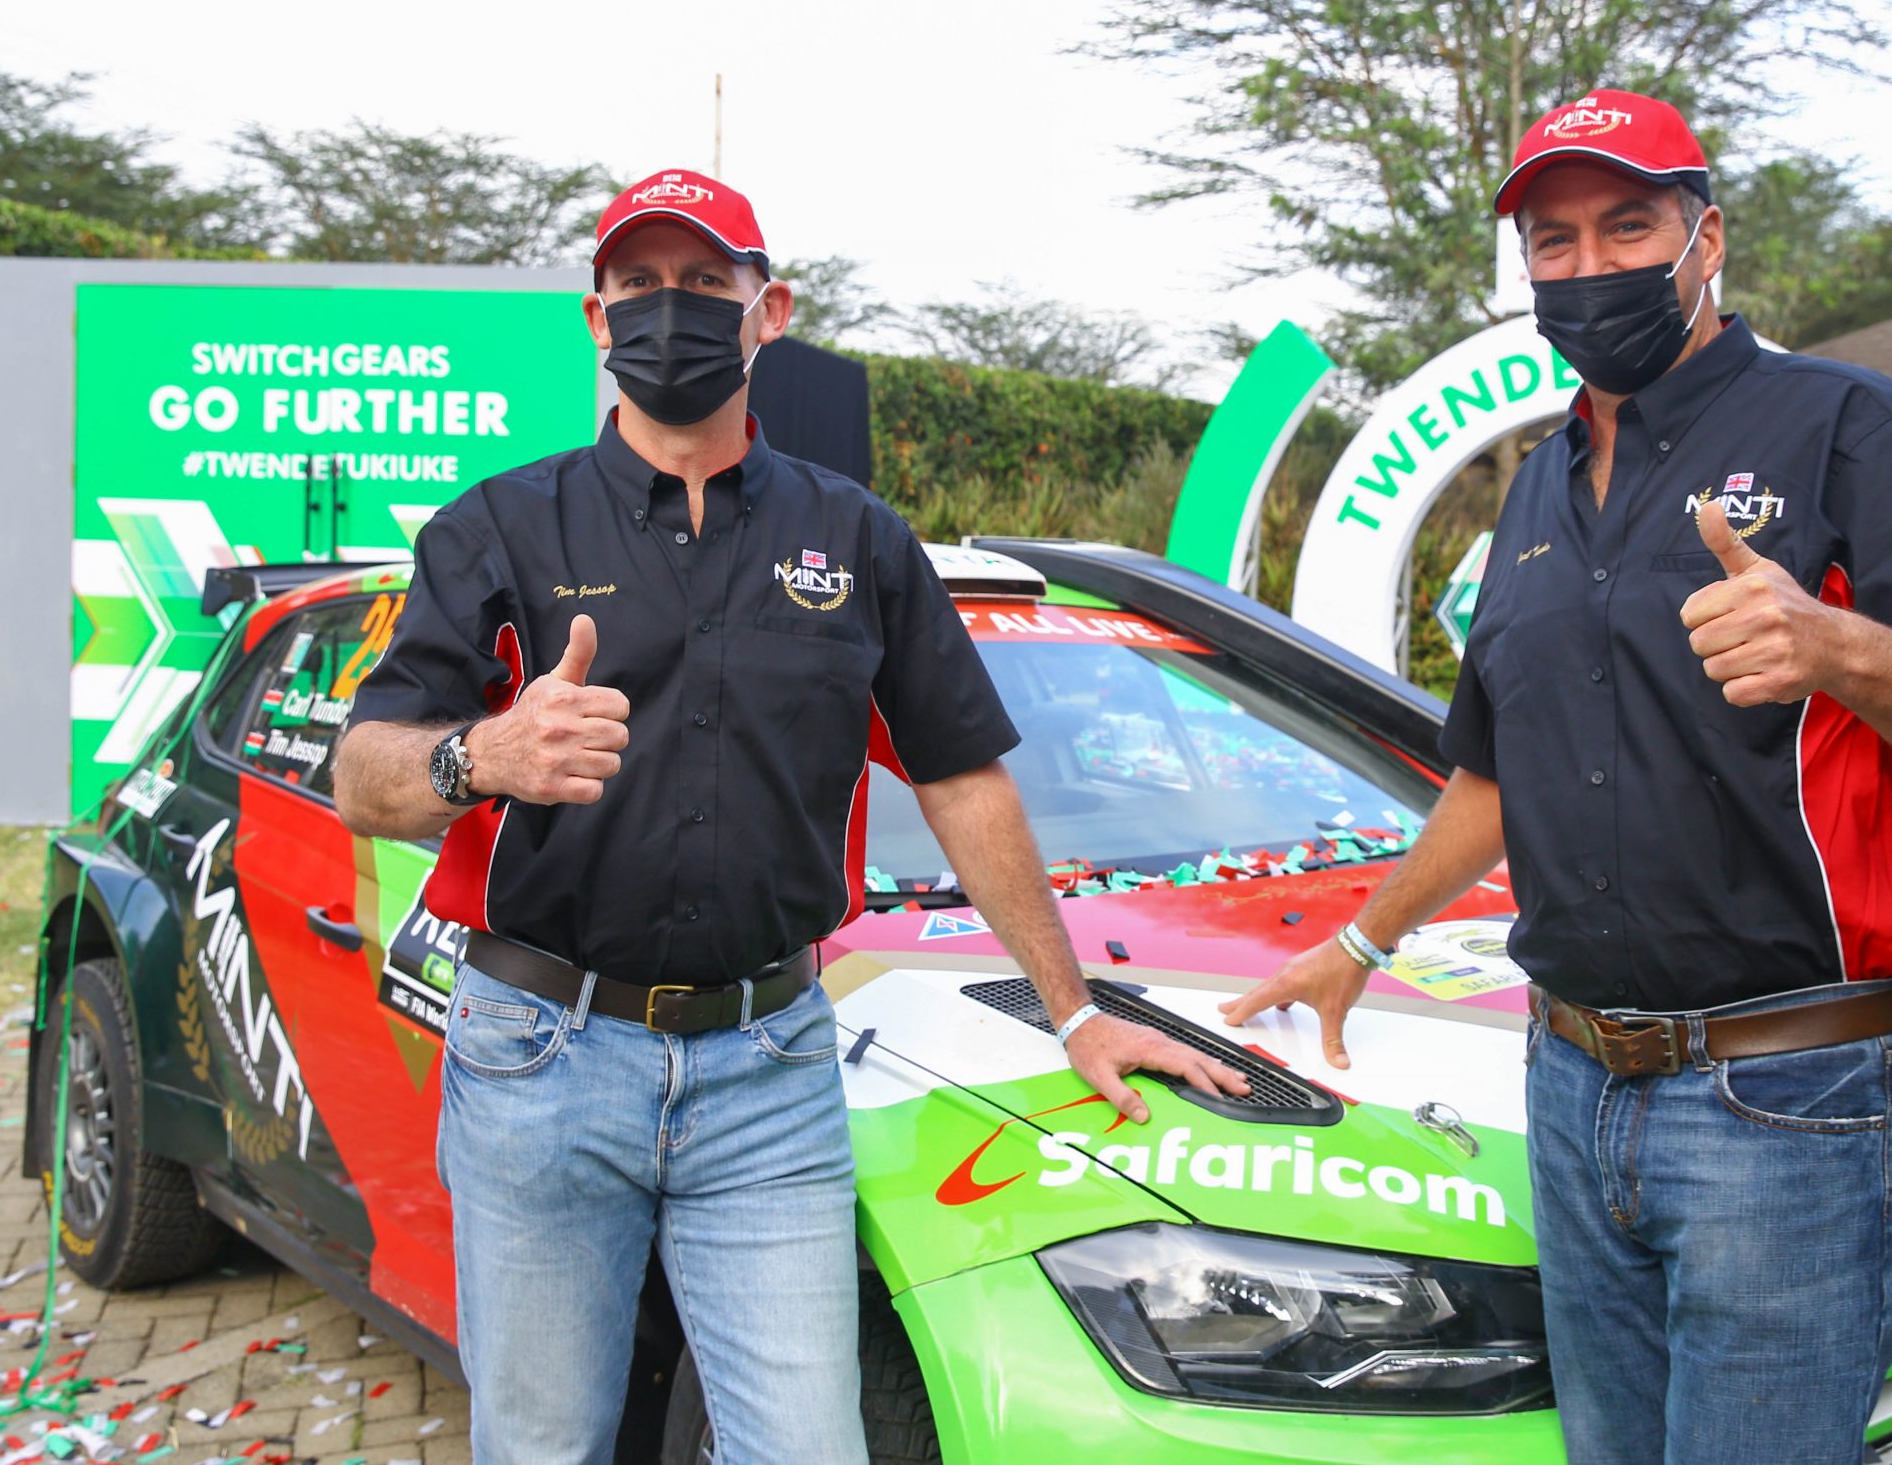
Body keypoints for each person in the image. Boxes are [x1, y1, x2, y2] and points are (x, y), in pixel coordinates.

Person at [336, 167, 1247, 1465]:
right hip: (541, 1056)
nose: (672, 312)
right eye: (640, 287)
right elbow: (362, 772)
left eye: (707, 284)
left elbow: (963, 775)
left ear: (770, 311)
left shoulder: (861, 543)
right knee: (541, 1448)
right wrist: (482, 755)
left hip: (766, 1071)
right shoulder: (501, 529)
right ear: (595, 320)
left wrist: (1077, 1009)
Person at [1219, 91, 1892, 1465]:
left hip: (1785, 1098)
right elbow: (1498, 772)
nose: (1589, 265)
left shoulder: (1848, 428)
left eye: (1629, 225)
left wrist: (1838, 645)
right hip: (1571, 1084)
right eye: (1554, 241)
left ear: (1705, 236)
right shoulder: (1537, 489)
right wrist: (1360, 942)